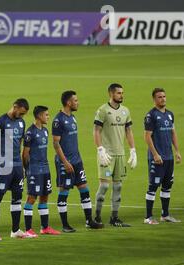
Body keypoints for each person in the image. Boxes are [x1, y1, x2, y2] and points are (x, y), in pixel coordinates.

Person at [52, 91, 103, 232]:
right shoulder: (58, 120)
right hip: (65, 162)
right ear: (68, 102)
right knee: (64, 191)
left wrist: (78, 160)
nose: (77, 102)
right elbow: (56, 144)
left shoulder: (72, 118)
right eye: (75, 100)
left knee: (84, 189)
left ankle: (89, 221)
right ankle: (65, 225)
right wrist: (65, 162)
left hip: (76, 161)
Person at [93, 83, 137, 227]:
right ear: (111, 94)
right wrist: (100, 149)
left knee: (118, 187)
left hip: (120, 155)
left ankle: (114, 218)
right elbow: (97, 131)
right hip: (107, 155)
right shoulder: (103, 110)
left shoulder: (125, 111)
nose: (121, 95)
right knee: (104, 187)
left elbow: (129, 131)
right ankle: (97, 217)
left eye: (122, 93)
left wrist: (133, 150)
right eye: (118, 93)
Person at [0, 99, 29, 240]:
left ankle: (15, 230)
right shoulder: (0, 122)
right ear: (15, 106)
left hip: (17, 166)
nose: (22, 116)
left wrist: (23, 167)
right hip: (4, 166)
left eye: (24, 114)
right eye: (21, 112)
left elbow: (19, 143)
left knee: (17, 198)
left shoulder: (21, 122)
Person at [144, 88, 182, 224]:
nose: (163, 99)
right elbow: (147, 137)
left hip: (169, 157)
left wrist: (177, 151)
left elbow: (173, 133)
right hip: (157, 158)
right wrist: (155, 154)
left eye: (164, 96)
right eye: (160, 97)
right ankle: (148, 217)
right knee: (153, 187)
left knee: (167, 186)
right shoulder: (151, 115)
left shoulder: (170, 114)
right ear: (154, 99)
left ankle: (165, 215)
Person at [23, 106, 61, 237]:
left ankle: (45, 227)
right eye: (46, 115)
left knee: (44, 197)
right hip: (34, 170)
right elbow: (25, 154)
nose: (48, 117)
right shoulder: (30, 132)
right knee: (32, 198)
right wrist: (27, 170)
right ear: (39, 116)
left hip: (45, 169)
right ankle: (28, 229)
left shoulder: (45, 131)